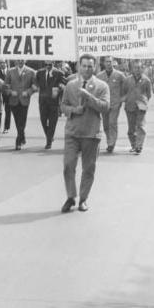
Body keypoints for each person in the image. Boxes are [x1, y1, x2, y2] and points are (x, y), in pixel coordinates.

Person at [60, 53, 110, 213]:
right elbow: (63, 106)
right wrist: (74, 110)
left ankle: (83, 199)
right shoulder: (71, 85)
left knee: (88, 169)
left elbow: (105, 107)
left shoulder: (102, 86)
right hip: (72, 133)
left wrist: (89, 97)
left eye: (90, 66)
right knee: (68, 165)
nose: (87, 69)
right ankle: (70, 196)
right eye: (84, 66)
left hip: (91, 133)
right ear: (78, 67)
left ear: (94, 67)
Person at [96, 56, 126, 153]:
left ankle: (111, 143)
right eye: (107, 61)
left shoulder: (119, 75)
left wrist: (122, 98)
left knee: (112, 122)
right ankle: (109, 139)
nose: (108, 63)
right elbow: (96, 89)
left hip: (115, 103)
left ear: (113, 62)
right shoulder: (99, 76)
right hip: (104, 104)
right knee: (105, 124)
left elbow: (126, 86)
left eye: (110, 61)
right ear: (104, 63)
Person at [122, 59, 152, 154]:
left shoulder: (146, 80)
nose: (137, 69)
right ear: (132, 69)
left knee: (140, 126)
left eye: (139, 67)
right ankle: (133, 145)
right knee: (131, 129)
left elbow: (149, 94)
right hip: (130, 105)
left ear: (142, 68)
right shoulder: (127, 80)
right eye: (135, 67)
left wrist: (143, 100)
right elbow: (124, 92)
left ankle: (139, 146)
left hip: (141, 106)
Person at [5, 59, 36, 150]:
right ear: (16, 61)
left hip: (24, 100)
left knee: (22, 120)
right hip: (13, 100)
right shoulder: (10, 71)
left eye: (22, 60)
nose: (20, 61)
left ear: (25, 60)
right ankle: (22, 136)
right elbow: (6, 86)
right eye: (18, 59)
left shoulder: (31, 71)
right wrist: (10, 92)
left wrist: (28, 92)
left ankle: (18, 141)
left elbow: (35, 86)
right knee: (17, 121)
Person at [36, 60, 65, 149]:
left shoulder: (59, 73)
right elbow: (36, 83)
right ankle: (50, 136)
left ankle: (49, 141)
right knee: (43, 120)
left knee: (52, 122)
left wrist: (60, 88)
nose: (48, 66)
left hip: (54, 101)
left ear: (53, 63)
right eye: (46, 64)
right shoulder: (40, 72)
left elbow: (64, 84)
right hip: (43, 100)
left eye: (50, 64)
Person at [0, 60, 12, 133]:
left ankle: (6, 128)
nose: (2, 64)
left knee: (8, 111)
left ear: (6, 63)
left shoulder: (11, 72)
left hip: (8, 95)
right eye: (0, 63)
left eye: (3, 62)